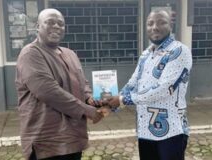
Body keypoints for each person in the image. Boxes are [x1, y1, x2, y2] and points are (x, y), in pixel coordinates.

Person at [15, 8, 104, 160]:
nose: (56, 26)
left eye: (60, 24)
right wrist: (87, 111)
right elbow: (49, 91)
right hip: (47, 140)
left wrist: (90, 98)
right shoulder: (31, 53)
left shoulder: (70, 53)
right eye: (50, 22)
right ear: (38, 26)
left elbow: (82, 82)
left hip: (74, 136)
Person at [105, 9, 192, 160]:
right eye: (150, 23)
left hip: (171, 131)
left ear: (171, 24)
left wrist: (122, 100)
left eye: (161, 22)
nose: (155, 27)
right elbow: (133, 83)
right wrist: (111, 103)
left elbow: (164, 89)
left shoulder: (179, 51)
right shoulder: (146, 54)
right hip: (145, 129)